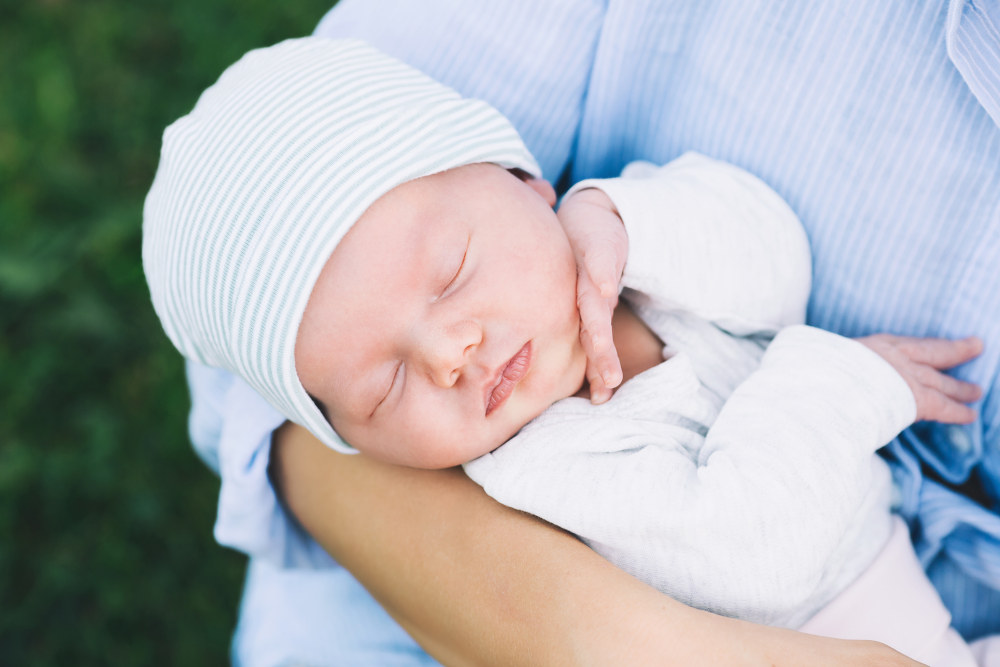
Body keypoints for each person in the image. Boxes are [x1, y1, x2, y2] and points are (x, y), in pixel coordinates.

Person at [171, 0, 1000, 664]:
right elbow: (753, 550)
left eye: (455, 271)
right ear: (351, 440)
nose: (448, 354)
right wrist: (842, 385)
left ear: (529, 183)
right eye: (383, 386)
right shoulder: (540, 464)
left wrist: (631, 222)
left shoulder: (617, 266)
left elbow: (777, 271)